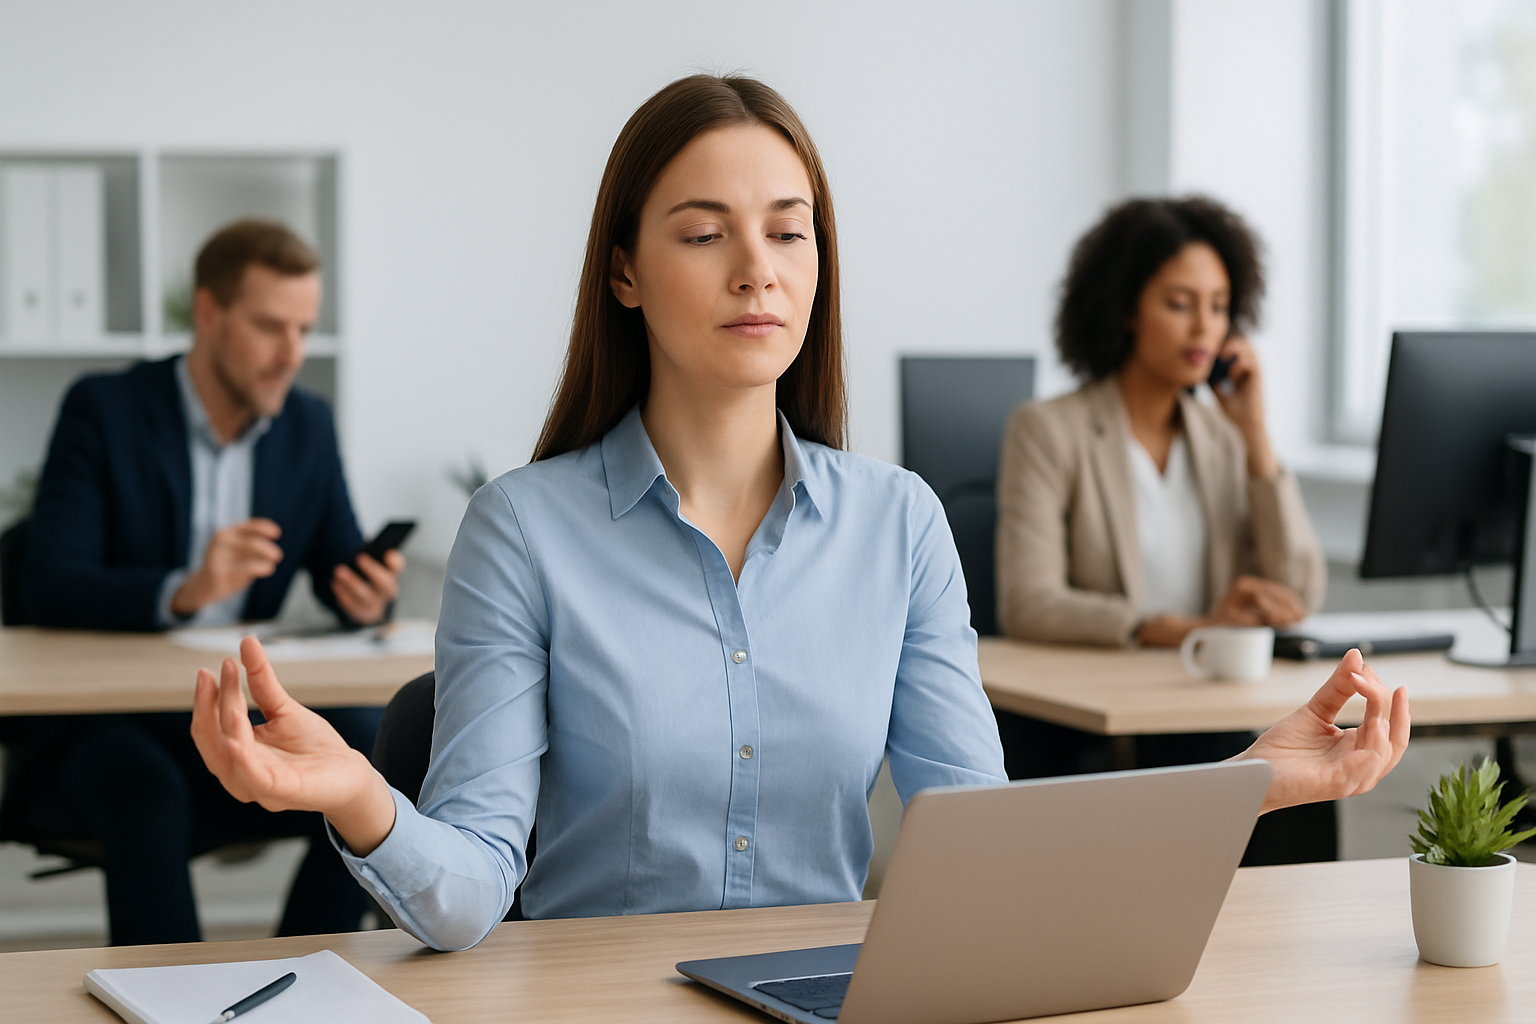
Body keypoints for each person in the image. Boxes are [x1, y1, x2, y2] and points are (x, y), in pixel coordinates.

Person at [190, 76, 1409, 953]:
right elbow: (462, 899)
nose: (756, 269)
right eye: (704, 233)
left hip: (832, 992)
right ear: (624, 272)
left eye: (788, 231)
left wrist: (1242, 781)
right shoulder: (524, 529)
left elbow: (986, 850)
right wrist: (353, 789)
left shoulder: (900, 524)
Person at [15, 220, 402, 945]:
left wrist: (366, 594)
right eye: (268, 326)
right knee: (145, 792)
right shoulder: (105, 410)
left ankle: (307, 967)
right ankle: (176, 1002)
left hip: (235, 705)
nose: (291, 354)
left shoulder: (306, 427)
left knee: (378, 750)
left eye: (303, 329)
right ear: (208, 314)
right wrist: (183, 590)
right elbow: (49, 585)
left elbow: (339, 565)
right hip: (112, 718)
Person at [996, 196, 1326, 650]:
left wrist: (1255, 434)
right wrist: (1178, 631)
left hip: (1210, 697)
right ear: (1127, 309)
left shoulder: (1225, 439)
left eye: (1218, 306)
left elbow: (1300, 593)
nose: (1204, 329)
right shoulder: (1047, 430)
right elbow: (1027, 603)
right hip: (1103, 698)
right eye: (1179, 304)